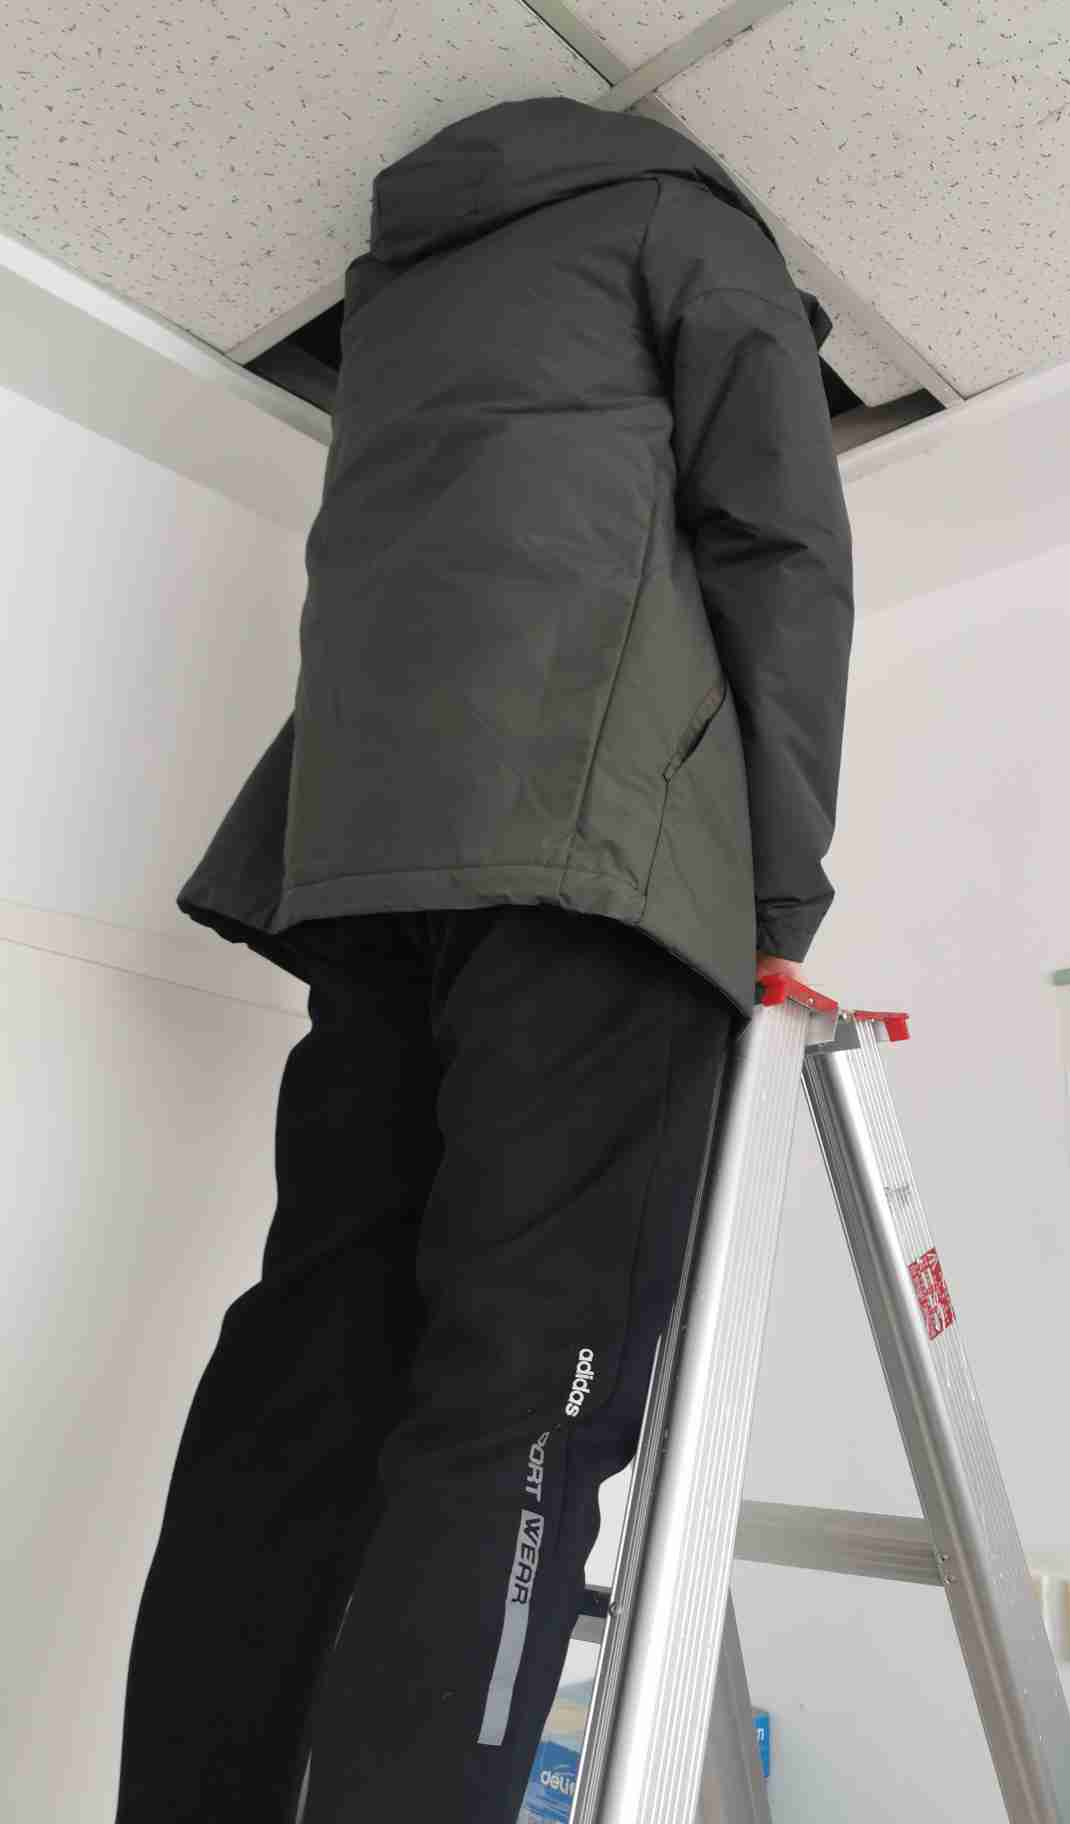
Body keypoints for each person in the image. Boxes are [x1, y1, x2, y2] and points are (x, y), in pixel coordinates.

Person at [113, 95, 853, 1823]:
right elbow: (782, 548)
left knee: (313, 1370)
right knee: (524, 1393)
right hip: (587, 866)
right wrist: (773, 906)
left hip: (369, 869)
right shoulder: (681, 227)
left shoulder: (395, 299)